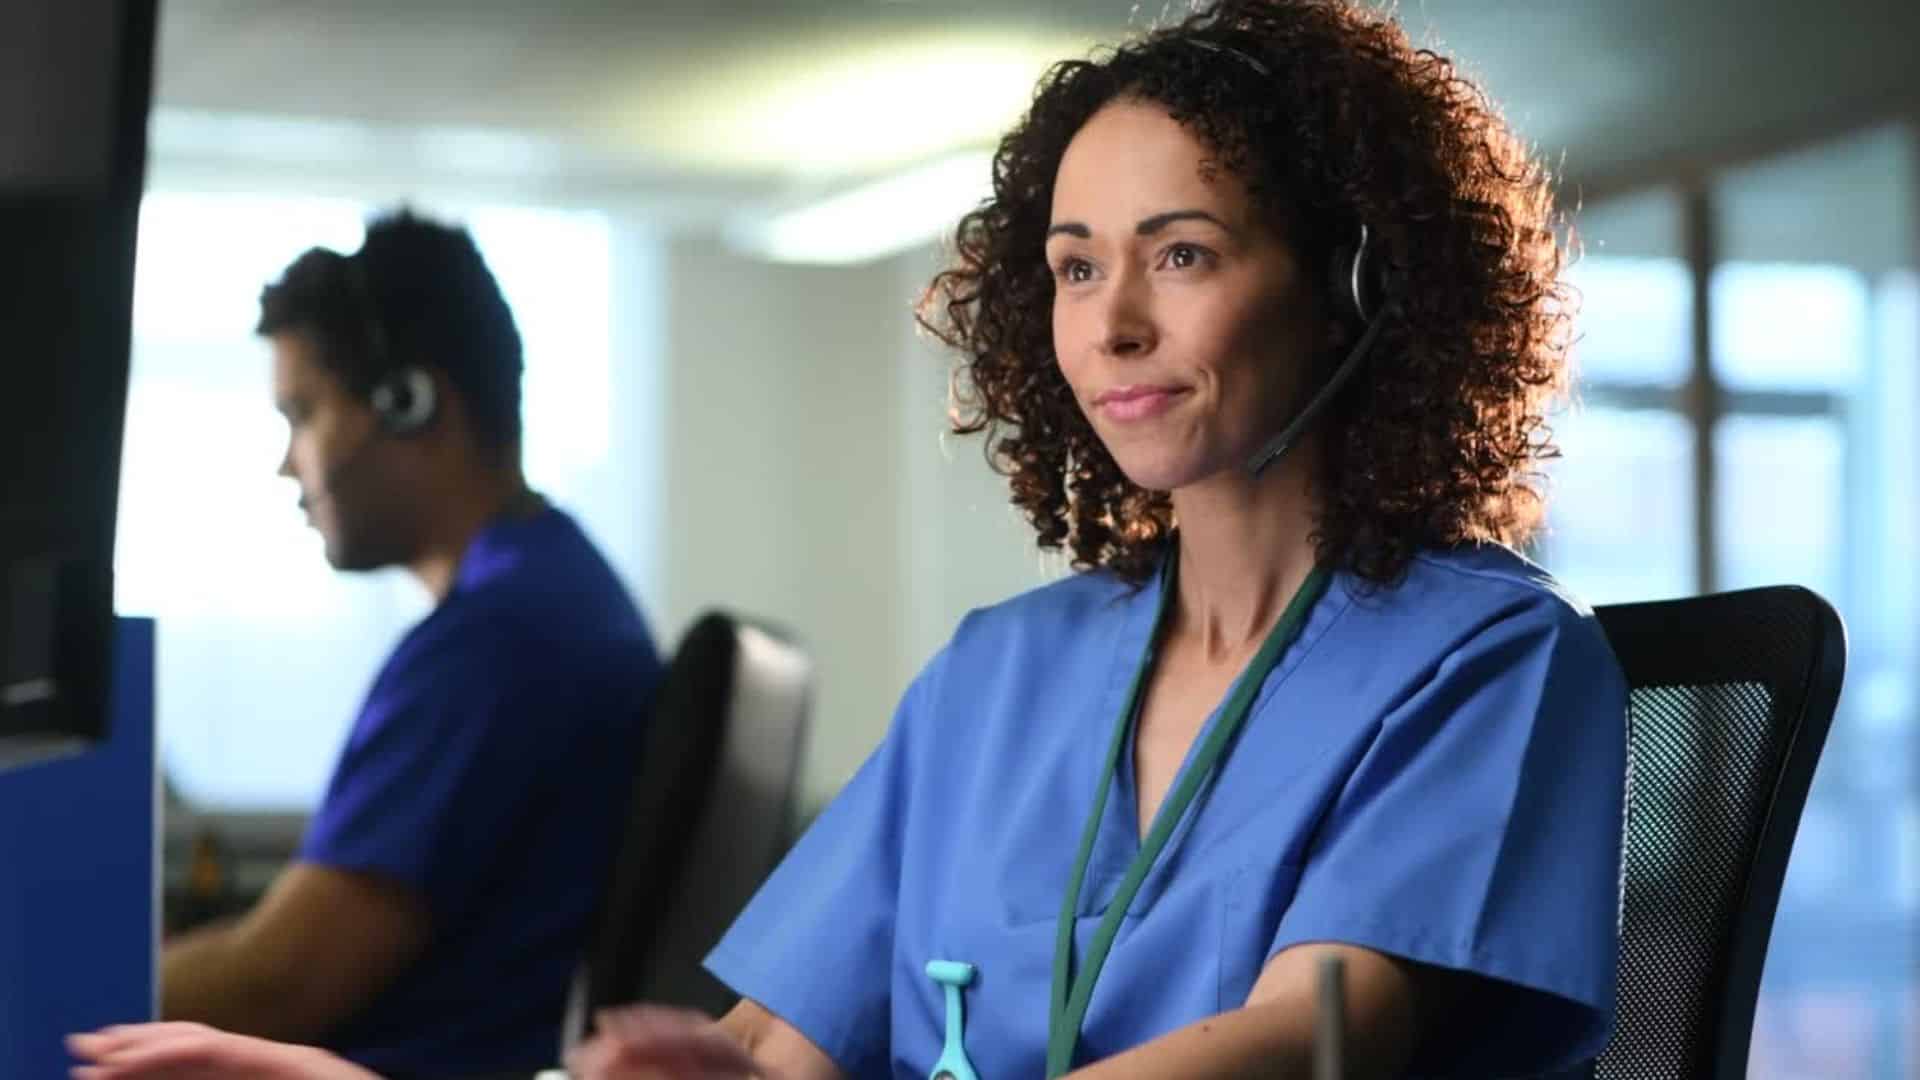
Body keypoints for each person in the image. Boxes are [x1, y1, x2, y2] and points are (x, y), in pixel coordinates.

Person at [70, 1, 1624, 1077]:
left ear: (1356, 290)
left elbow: (1306, 1048)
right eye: (1076, 270)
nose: (1116, 325)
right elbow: (761, 1059)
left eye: (1185, 254)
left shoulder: (1490, 661)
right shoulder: (997, 680)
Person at [103, 211, 665, 1077]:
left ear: (412, 402)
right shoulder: (556, 592)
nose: (289, 464)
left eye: (304, 411)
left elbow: (282, 981)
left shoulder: (497, 642)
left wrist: (76, 981)